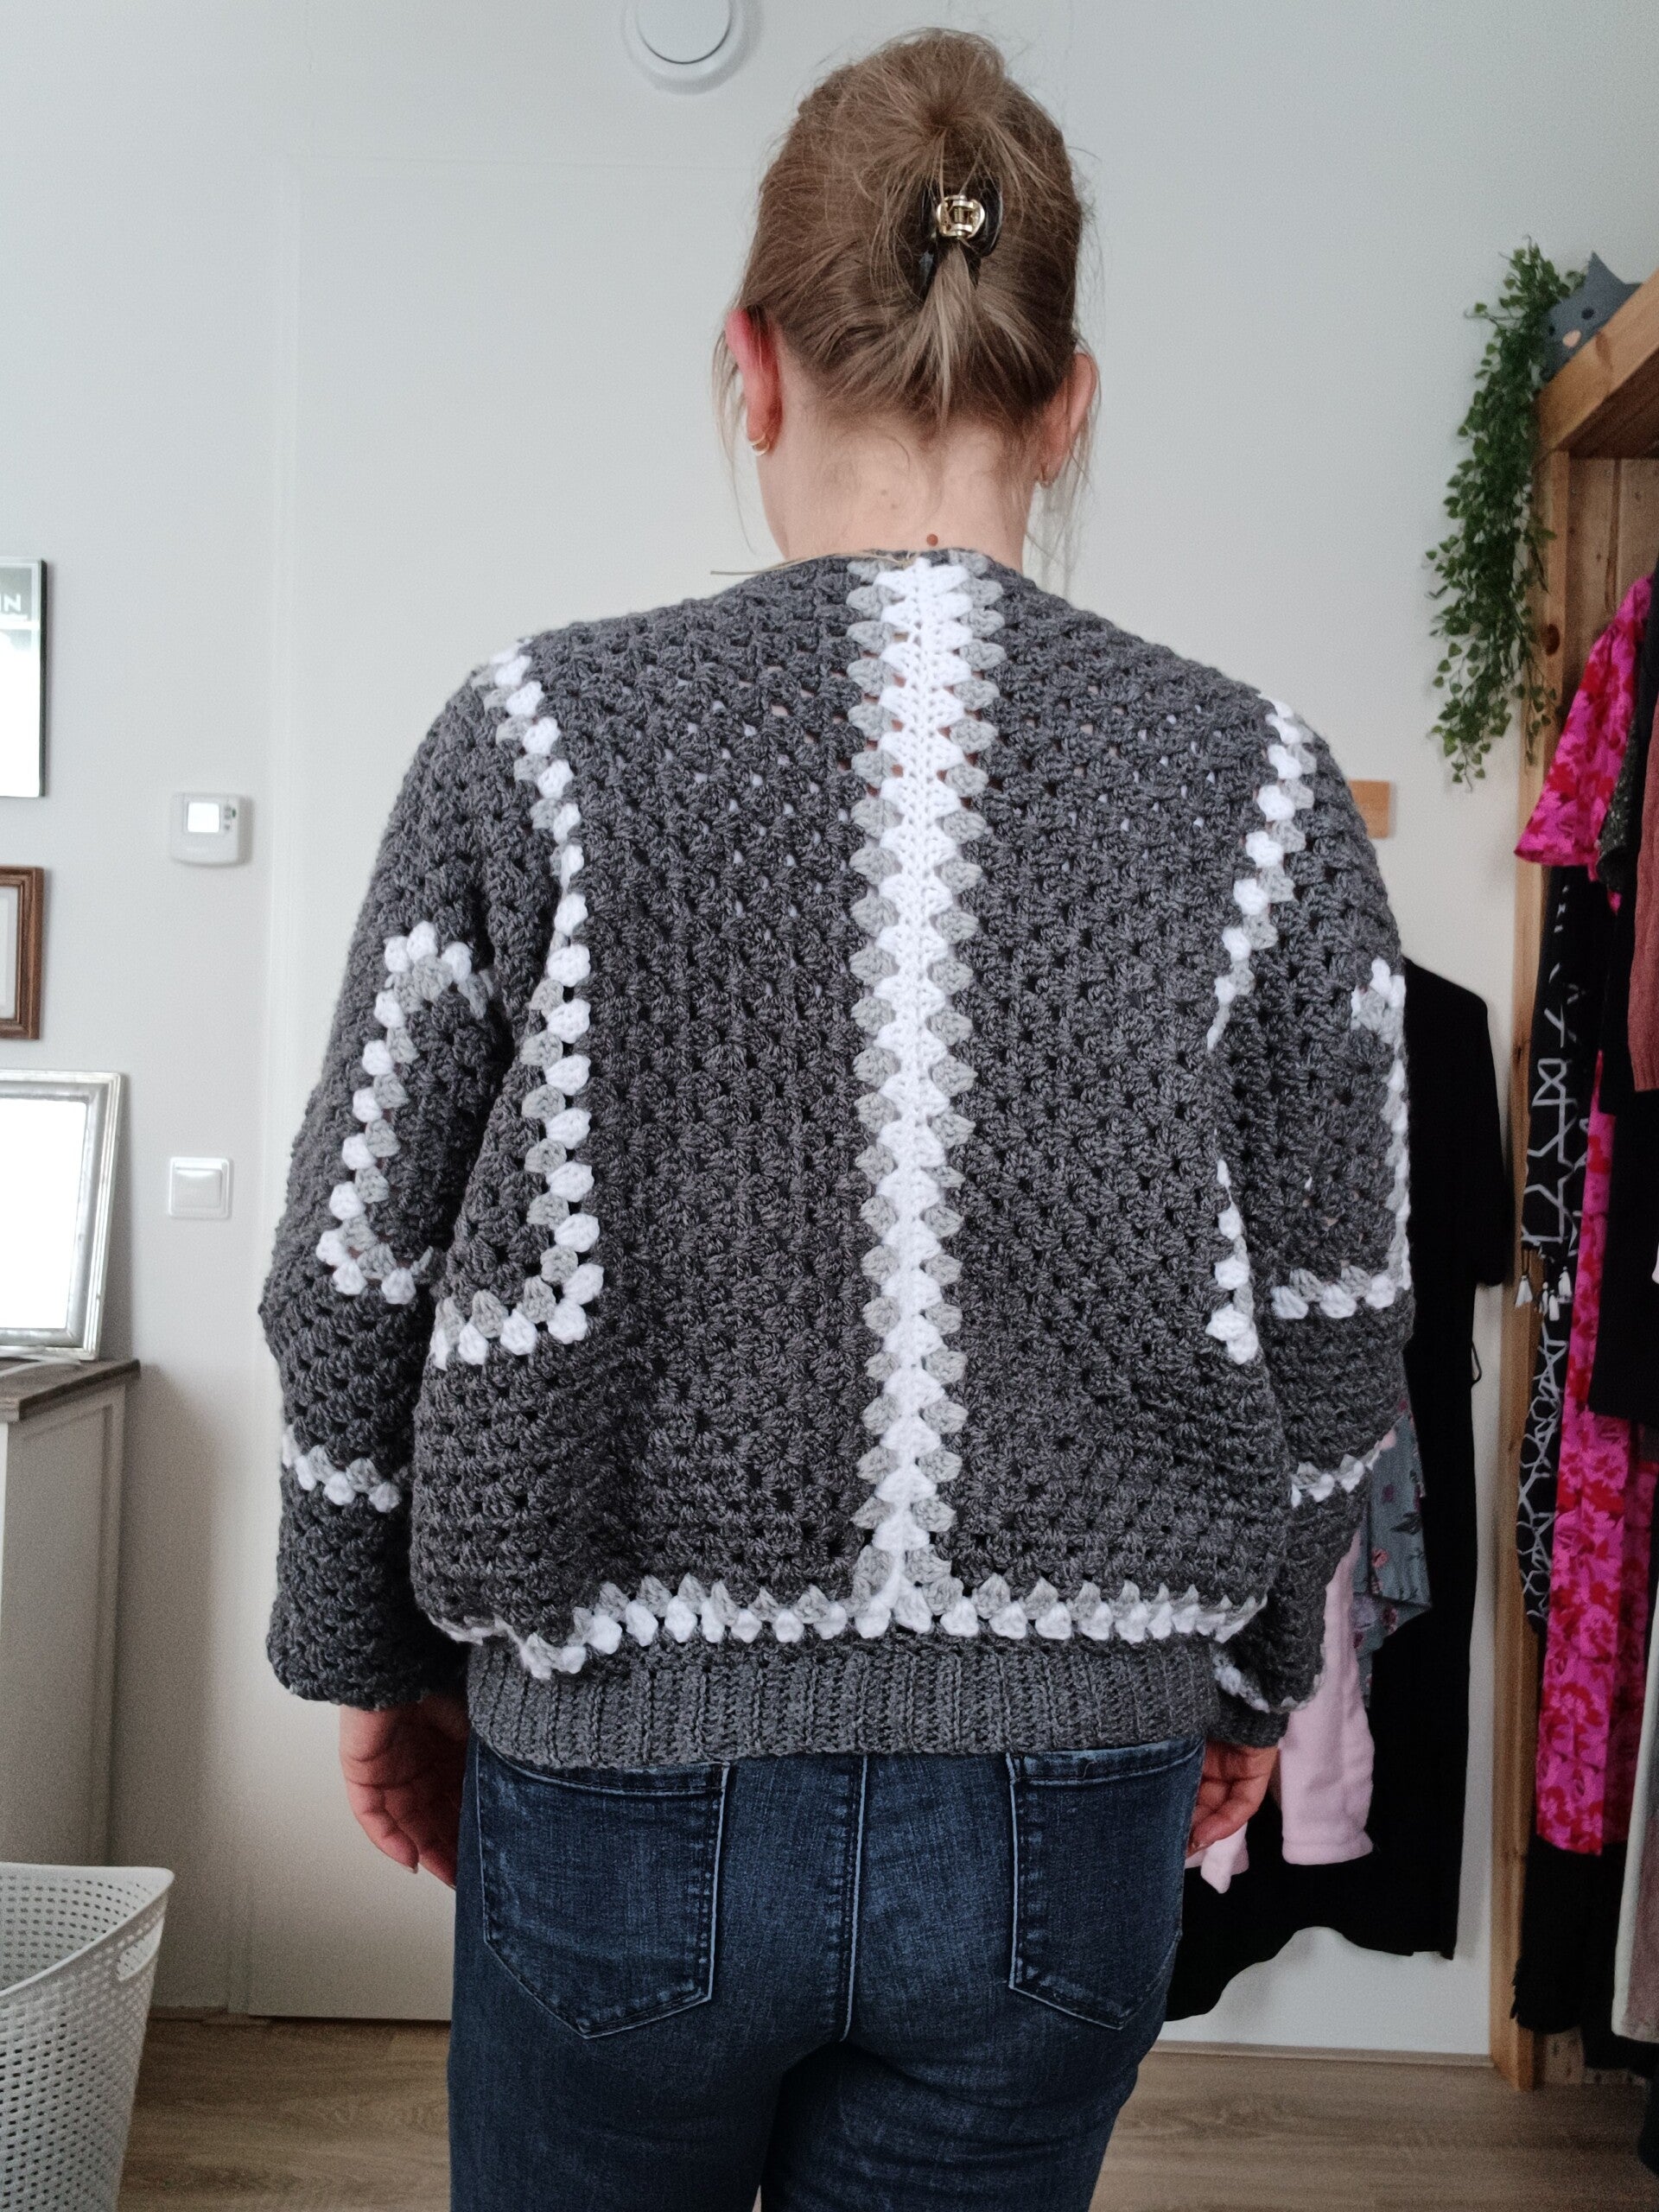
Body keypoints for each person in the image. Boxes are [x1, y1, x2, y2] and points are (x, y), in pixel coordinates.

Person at [259, 29, 1410, 2210]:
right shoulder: (1259, 795)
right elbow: (1338, 1331)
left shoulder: (537, 744)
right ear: (1071, 401)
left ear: (755, 364)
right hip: (1068, 1803)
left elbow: (354, 1280)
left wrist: (367, 1655)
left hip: (615, 1772)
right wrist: (1254, 1672)